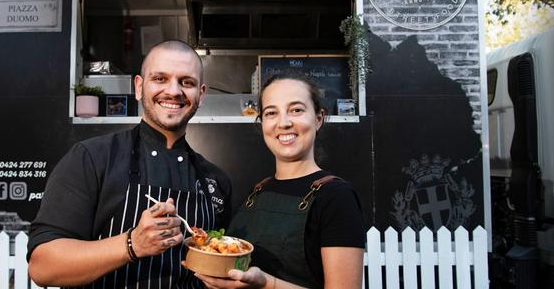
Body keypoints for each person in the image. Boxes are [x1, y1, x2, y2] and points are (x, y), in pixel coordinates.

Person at [27, 40, 232, 288]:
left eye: (186, 82)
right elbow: (42, 266)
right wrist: (132, 244)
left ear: (200, 95)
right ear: (139, 86)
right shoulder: (91, 158)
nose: (174, 91)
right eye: (160, 78)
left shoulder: (215, 180)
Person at [192, 71, 364, 289]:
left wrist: (266, 284)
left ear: (318, 119)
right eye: (272, 113)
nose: (283, 123)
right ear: (262, 122)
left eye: (296, 110)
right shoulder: (257, 193)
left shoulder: (337, 197)